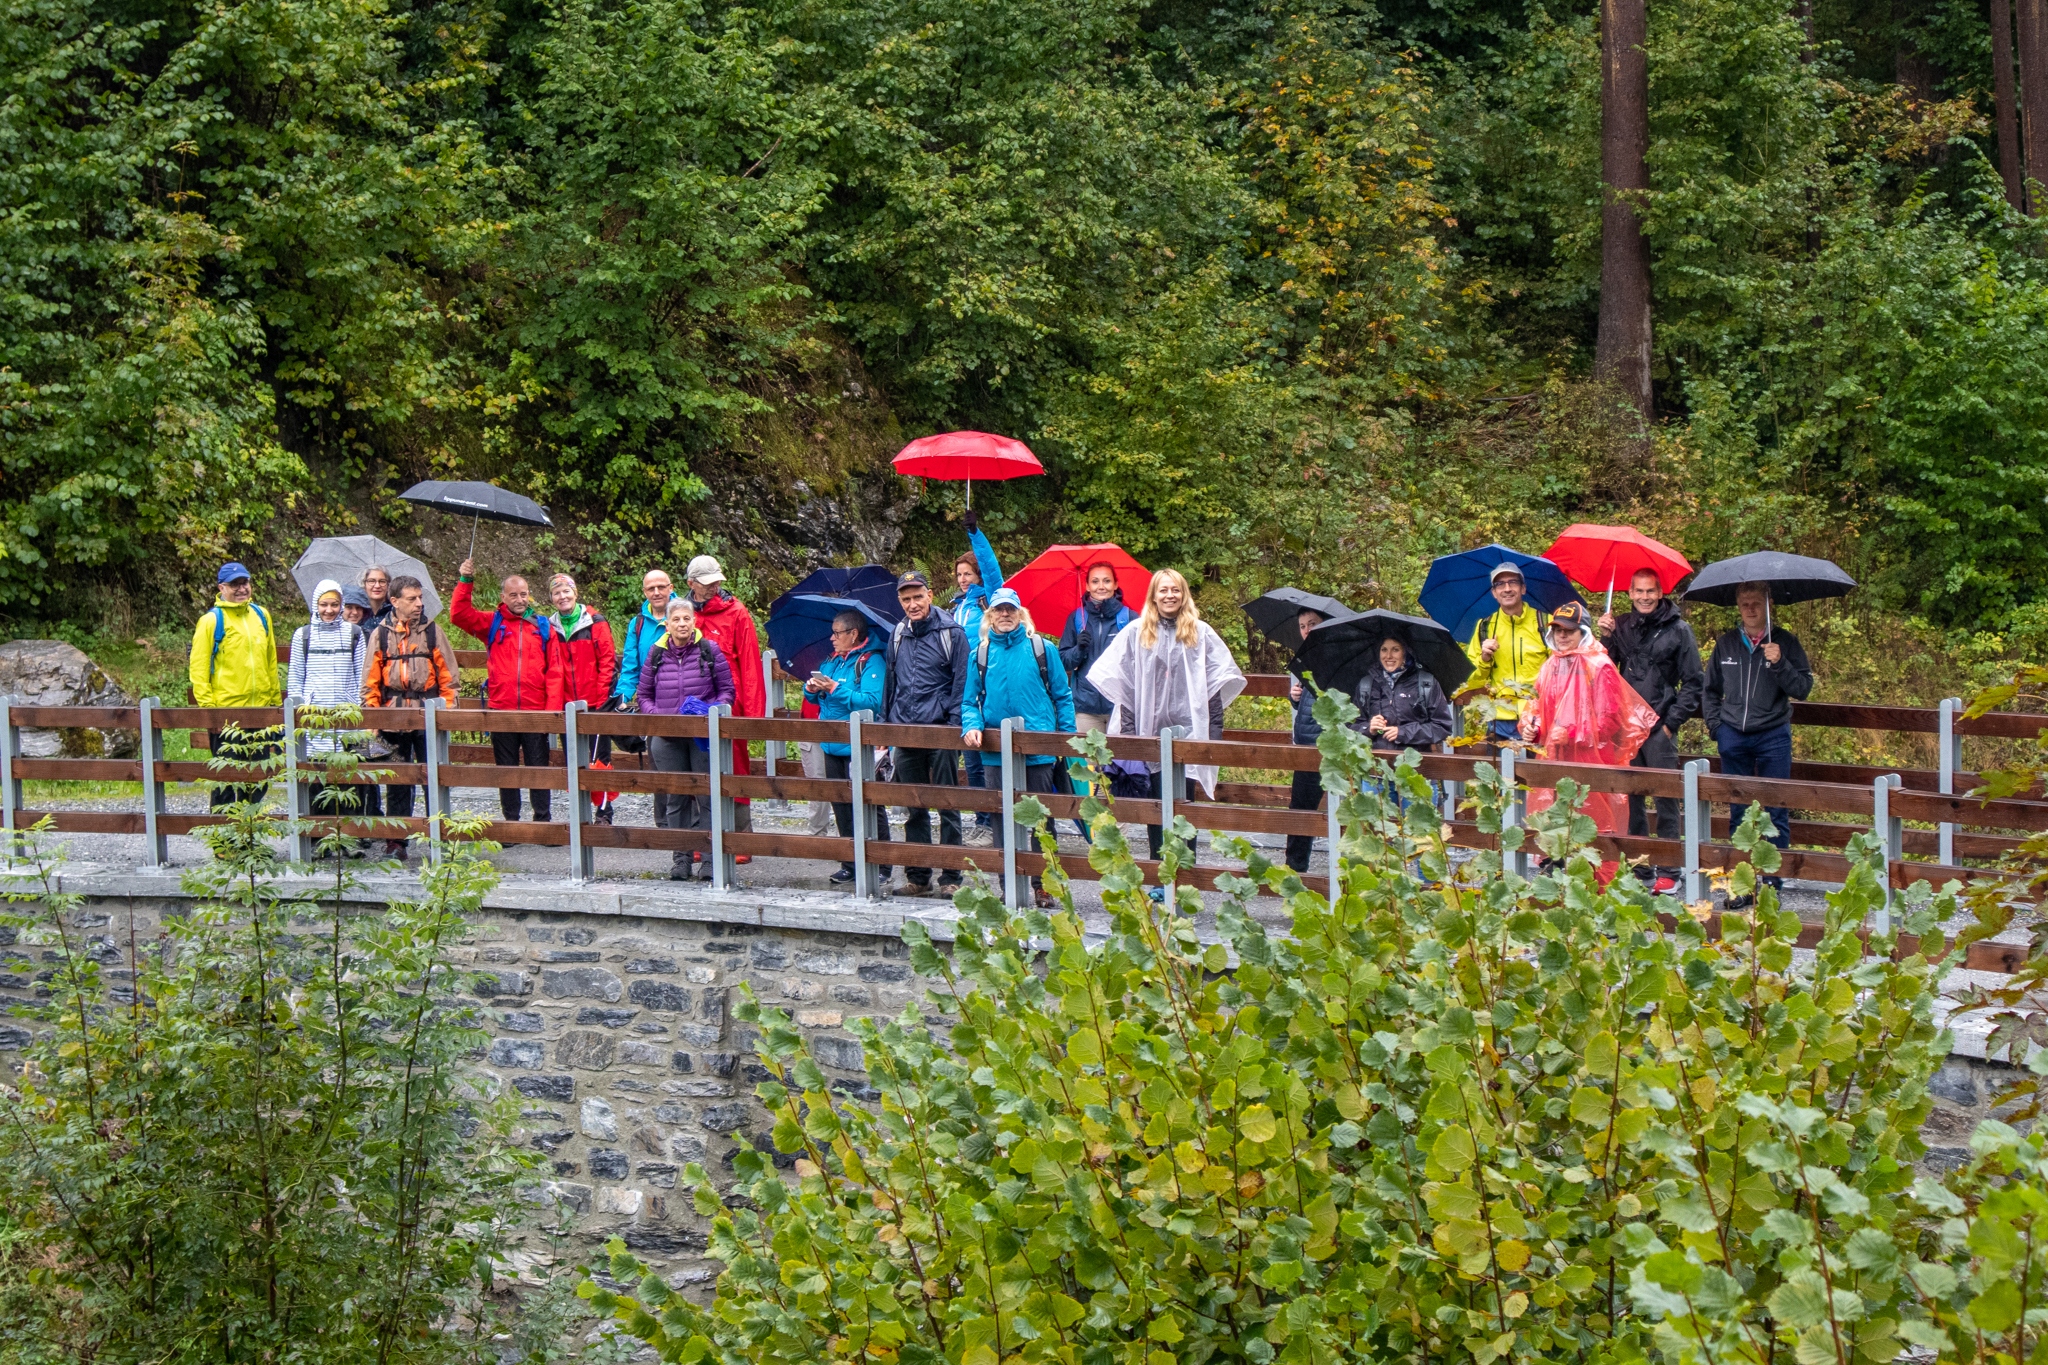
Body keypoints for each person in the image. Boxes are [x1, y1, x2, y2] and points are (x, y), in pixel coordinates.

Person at [1087, 569, 1246, 883]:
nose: (1169, 595)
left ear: (1183, 593)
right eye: (1163, 590)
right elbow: (1126, 689)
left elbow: (1213, 687)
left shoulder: (1201, 633)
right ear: (1154, 595)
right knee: (1156, 808)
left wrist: (1210, 738)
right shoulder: (1137, 632)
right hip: (1149, 733)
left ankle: (1185, 876)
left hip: (1189, 732)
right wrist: (1132, 740)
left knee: (1184, 807)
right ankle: (1161, 877)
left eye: (1175, 590)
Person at [1517, 602, 1660, 883]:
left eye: (1568, 630)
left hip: (1592, 763)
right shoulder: (1550, 666)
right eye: (1556, 629)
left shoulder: (1600, 666)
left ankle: (1601, 900)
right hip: (1553, 761)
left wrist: (1570, 734)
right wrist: (1529, 727)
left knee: (1596, 831)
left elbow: (1610, 722)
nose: (1561, 635)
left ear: (1582, 631)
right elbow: (1533, 706)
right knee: (1553, 827)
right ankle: (1556, 900)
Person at [961, 588, 1074, 909]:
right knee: (1000, 818)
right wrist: (972, 725)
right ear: (990, 616)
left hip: (1038, 750)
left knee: (1040, 819)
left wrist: (1063, 740)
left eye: (1011, 609)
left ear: (1020, 613)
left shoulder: (1042, 649)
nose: (1006, 614)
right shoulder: (978, 656)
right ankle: (1007, 883)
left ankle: (1044, 885)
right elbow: (969, 701)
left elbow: (1062, 696)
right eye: (999, 610)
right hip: (995, 752)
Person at [1702, 582, 1814, 905]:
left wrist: (1779, 663)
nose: (1750, 609)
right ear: (1738, 606)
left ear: (1769, 604)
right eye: (1745, 603)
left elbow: (1803, 688)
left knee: (1776, 809)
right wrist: (1716, 729)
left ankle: (1772, 886)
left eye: (1756, 602)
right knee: (1739, 813)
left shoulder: (1785, 642)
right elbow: (1709, 690)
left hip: (1773, 736)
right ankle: (1743, 884)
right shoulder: (1725, 645)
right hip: (1733, 736)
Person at [1598, 568, 1706, 894]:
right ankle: (1640, 867)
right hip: (1626, 728)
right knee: (1631, 798)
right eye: (1638, 591)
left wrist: (1671, 724)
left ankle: (1670, 869)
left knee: (1666, 798)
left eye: (1650, 591)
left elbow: (1694, 683)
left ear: (1660, 593)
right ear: (1629, 593)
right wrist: (1604, 637)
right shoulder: (1621, 626)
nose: (1644, 597)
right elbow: (1601, 670)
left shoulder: (1679, 630)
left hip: (1660, 727)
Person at [452, 557, 566, 822]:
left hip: (535, 711)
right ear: (503, 596)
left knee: (539, 768)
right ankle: (511, 823)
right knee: (507, 768)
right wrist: (466, 580)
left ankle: (542, 820)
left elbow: (555, 671)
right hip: (501, 710)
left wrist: (550, 713)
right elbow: (458, 615)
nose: (519, 599)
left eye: (524, 594)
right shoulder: (493, 622)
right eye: (513, 594)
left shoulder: (543, 627)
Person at [883, 571, 968, 897]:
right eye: (906, 599)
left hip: (940, 731)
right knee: (913, 806)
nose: (912, 604)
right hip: (906, 730)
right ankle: (918, 878)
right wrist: (887, 723)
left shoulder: (952, 633)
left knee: (948, 804)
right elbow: (892, 682)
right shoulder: (898, 634)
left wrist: (953, 726)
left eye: (917, 597)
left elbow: (962, 682)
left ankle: (951, 878)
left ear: (930, 595)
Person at [636, 596, 734, 880]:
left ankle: (710, 860)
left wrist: (708, 712)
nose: (681, 624)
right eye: (676, 619)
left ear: (694, 621)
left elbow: (727, 691)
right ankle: (680, 859)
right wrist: (660, 717)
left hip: (701, 735)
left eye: (686, 618)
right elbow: (643, 695)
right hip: (667, 736)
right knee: (675, 798)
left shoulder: (709, 650)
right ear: (666, 624)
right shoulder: (656, 654)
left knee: (707, 797)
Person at [363, 574, 457, 857]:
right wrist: (374, 721)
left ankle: (438, 837)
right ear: (394, 601)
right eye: (412, 599)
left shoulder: (432, 631)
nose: (419, 604)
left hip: (429, 716)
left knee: (434, 777)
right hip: (392, 718)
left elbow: (449, 678)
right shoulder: (380, 634)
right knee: (396, 779)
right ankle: (396, 841)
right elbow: (370, 682)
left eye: (420, 598)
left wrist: (447, 716)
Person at [686, 556, 765, 861]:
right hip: (693, 706)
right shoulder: (683, 613)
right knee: (696, 770)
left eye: (717, 581)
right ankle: (701, 839)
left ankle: (741, 840)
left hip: (731, 706)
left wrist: (754, 716)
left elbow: (750, 664)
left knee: (735, 770)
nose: (715, 587)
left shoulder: (737, 612)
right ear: (691, 584)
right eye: (707, 583)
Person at [187, 561, 282, 810]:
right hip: (226, 716)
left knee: (258, 779)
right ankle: (224, 843)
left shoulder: (262, 615)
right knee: (226, 780)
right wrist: (211, 712)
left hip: (260, 714)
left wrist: (274, 706)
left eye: (245, 583)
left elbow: (270, 661)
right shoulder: (211, 621)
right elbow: (198, 670)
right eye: (235, 584)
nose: (242, 589)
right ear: (222, 587)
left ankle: (249, 840)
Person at [810, 610, 893, 887]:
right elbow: (816, 699)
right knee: (841, 805)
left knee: (869, 805)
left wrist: (835, 688)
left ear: (853, 634)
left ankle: (881, 863)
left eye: (837, 633)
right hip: (831, 744)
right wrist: (813, 688)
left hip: (859, 747)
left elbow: (871, 701)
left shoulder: (872, 662)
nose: (832, 638)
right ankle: (850, 862)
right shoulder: (832, 661)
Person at [288, 580, 370, 831]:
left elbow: (361, 676)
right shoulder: (303, 635)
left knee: (349, 774)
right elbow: (295, 676)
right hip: (314, 717)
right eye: (324, 604)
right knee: (316, 774)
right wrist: (298, 713)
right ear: (316, 605)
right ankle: (318, 835)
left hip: (347, 717)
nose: (329, 610)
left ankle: (351, 835)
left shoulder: (354, 634)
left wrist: (358, 709)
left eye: (335, 604)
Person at [1352, 634, 1456, 812]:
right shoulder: (1366, 684)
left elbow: (1442, 726)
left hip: (1417, 774)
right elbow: (1349, 726)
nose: (1388, 655)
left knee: (1419, 836)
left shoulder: (1425, 683)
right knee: (1380, 835)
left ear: (1406, 652)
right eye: (1384, 649)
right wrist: (1367, 728)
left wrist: (1403, 733)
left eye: (1395, 649)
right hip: (1376, 776)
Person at [950, 510, 1006, 841]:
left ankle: (994, 819)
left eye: (968, 573)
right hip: (962, 687)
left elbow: (992, 569)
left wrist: (975, 533)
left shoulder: (990, 600)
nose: (963, 579)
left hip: (988, 683)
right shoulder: (958, 607)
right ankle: (981, 819)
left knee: (988, 756)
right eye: (959, 574)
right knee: (970, 758)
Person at [549, 573, 621, 824]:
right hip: (567, 704)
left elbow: (608, 661)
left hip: (594, 701)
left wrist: (602, 700)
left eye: (566, 591)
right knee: (573, 761)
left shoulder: (595, 621)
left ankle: (604, 811)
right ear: (552, 598)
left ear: (575, 593)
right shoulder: (550, 626)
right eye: (557, 593)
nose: (562, 596)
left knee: (598, 758)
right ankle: (580, 812)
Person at [1464, 563, 1548, 747]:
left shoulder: (1545, 624)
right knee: (1499, 776)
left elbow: (1560, 673)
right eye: (1500, 584)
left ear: (1523, 588)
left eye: (1513, 582)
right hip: (1499, 722)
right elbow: (1470, 679)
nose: (1507, 589)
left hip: (1539, 720)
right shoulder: (1484, 627)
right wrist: (1484, 660)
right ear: (1494, 592)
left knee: (1537, 776)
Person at [1283, 607, 1332, 874]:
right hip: (1305, 743)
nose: (1307, 630)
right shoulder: (1303, 657)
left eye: (1312, 623)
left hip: (1332, 744)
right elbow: (1305, 702)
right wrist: (1295, 697)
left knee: (1344, 811)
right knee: (1300, 810)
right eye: (1302, 625)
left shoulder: (1339, 654)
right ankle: (1294, 872)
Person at [338, 585, 385, 829]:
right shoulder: (328, 635)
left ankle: (371, 818)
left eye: (358, 608)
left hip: (363, 709)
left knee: (366, 767)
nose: (353, 612)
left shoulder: (369, 636)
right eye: (349, 607)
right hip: (337, 709)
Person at [361, 565, 395, 630]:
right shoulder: (358, 612)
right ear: (364, 584)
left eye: (382, 581)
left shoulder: (395, 611)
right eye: (371, 581)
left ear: (388, 585)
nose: (377, 586)